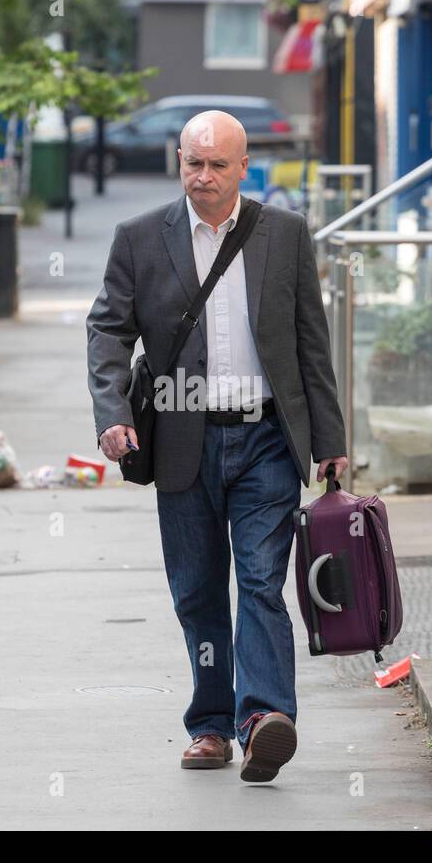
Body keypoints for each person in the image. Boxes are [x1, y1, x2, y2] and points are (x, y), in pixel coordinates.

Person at [86, 110, 347, 782]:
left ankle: (263, 717)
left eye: (216, 166)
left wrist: (329, 440)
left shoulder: (283, 235)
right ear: (180, 162)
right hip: (182, 439)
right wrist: (113, 412)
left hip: (264, 437)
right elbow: (109, 331)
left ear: (243, 168)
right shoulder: (141, 238)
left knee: (261, 581)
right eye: (192, 164)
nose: (202, 177)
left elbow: (311, 342)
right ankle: (210, 725)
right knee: (198, 591)